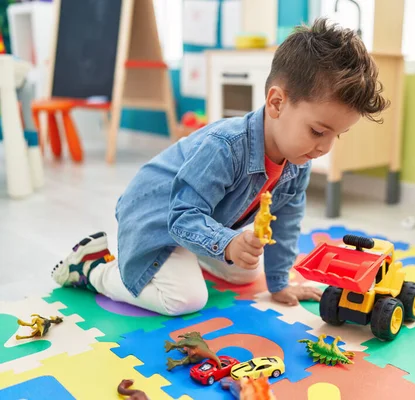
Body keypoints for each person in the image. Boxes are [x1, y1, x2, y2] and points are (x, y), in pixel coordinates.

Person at [50, 18, 389, 316]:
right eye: (317, 131)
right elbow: (181, 215)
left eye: (337, 136)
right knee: (185, 299)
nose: (325, 147)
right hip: (155, 219)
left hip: (203, 219)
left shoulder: (297, 163)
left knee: (246, 270)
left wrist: (278, 281)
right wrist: (225, 243)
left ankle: (198, 252)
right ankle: (93, 269)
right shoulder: (224, 148)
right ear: (276, 103)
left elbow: (286, 221)